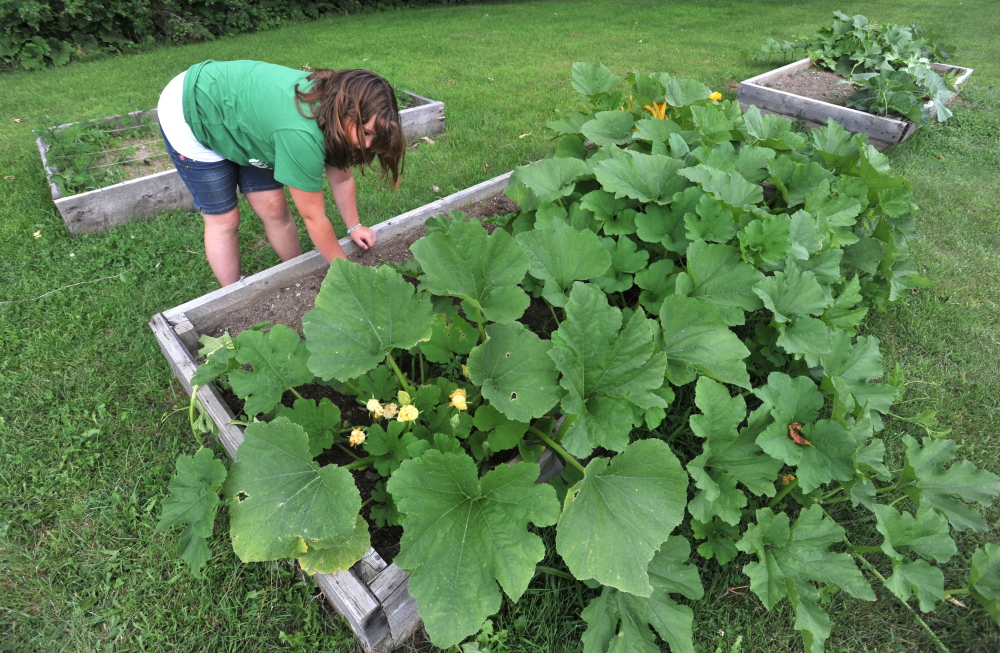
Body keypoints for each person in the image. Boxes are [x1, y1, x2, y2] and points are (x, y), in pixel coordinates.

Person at [157, 60, 406, 285]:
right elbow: (314, 218)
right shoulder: (300, 136)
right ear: (346, 112)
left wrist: (355, 226)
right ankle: (232, 293)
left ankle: (297, 269)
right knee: (224, 219)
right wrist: (348, 274)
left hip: (245, 116)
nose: (369, 145)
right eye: (367, 132)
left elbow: (341, 178)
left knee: (274, 206)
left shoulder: (334, 113)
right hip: (191, 109)